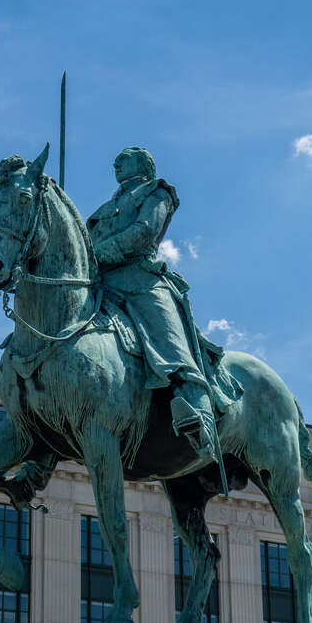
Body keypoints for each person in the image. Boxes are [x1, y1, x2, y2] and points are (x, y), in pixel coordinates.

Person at [86, 146, 218, 463]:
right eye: (115, 158)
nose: (116, 162)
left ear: (144, 164)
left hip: (139, 279)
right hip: (97, 282)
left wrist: (99, 254)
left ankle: (199, 413)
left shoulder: (157, 192)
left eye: (125, 157)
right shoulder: (105, 207)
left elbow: (144, 232)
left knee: (168, 338)